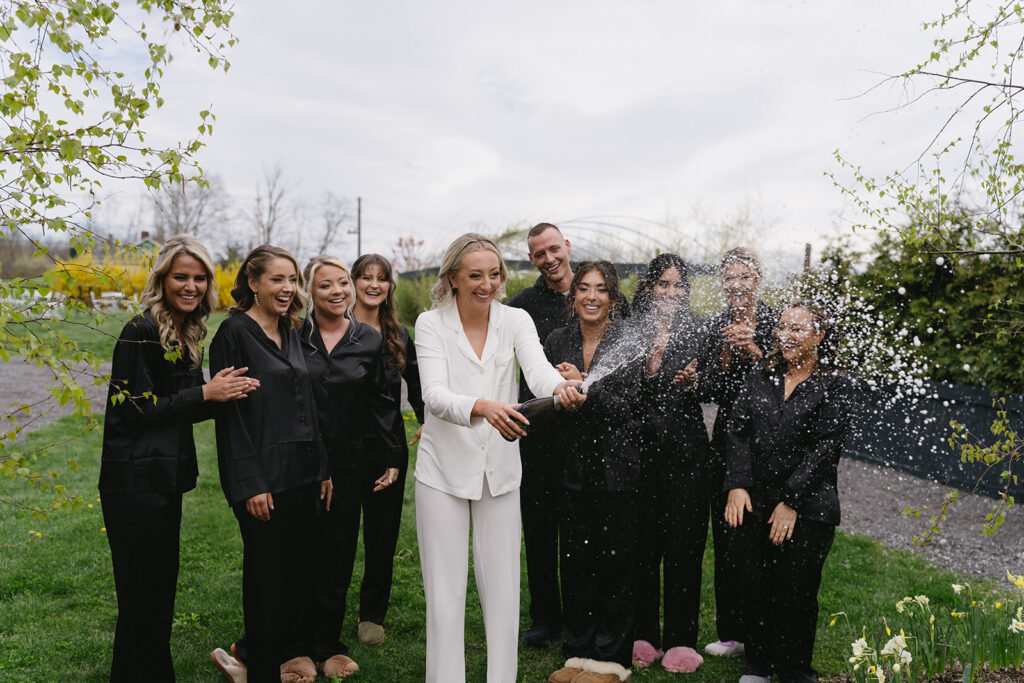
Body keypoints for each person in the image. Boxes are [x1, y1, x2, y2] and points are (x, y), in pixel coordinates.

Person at [413, 233, 584, 683]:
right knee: (445, 595)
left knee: (504, 593)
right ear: (453, 278)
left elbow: (538, 370)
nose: (487, 284)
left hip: (501, 474)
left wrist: (560, 389)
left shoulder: (516, 320)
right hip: (442, 473)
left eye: (494, 274)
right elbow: (433, 395)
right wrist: (484, 407)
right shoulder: (430, 324)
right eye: (475, 275)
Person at [99, 234, 257, 682]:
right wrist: (205, 392)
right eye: (181, 277)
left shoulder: (185, 332)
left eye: (199, 278)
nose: (190, 285)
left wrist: (227, 393)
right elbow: (133, 411)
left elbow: (179, 405)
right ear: (163, 278)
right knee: (140, 597)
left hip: (163, 481)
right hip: (133, 483)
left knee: (157, 593)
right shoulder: (141, 330)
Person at [209, 245, 332, 683]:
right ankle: (258, 671)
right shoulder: (233, 334)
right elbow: (232, 417)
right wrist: (249, 483)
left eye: (292, 279)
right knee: (266, 578)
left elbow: (309, 403)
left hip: (304, 473)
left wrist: (323, 468)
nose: (287, 288)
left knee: (298, 573)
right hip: (263, 478)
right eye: (277, 279)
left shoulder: (294, 330)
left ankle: (263, 654)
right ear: (253, 282)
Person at [506, 222, 630, 647]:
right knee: (552, 539)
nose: (549, 258)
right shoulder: (526, 310)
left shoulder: (621, 324)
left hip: (611, 455)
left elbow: (632, 391)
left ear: (566, 247)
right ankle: (554, 624)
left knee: (605, 547)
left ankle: (609, 636)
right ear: (532, 259)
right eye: (539, 253)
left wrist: (586, 383)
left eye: (554, 249)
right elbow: (530, 379)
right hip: (552, 445)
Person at [723, 300, 853, 683]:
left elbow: (826, 447)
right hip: (755, 499)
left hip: (809, 506)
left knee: (795, 593)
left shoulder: (836, 383)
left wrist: (791, 501)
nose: (787, 335)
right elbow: (736, 430)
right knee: (755, 585)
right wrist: (738, 483)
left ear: (820, 336)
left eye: (798, 328)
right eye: (782, 326)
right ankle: (759, 666)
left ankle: (795, 670)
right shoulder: (762, 374)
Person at [299, 255, 404, 677]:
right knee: (299, 555)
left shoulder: (369, 339)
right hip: (299, 463)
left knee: (338, 557)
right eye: (326, 285)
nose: (338, 291)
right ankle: (293, 643)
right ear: (310, 291)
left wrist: (393, 456)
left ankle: (326, 644)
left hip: (348, 465)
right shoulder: (293, 335)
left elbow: (382, 403)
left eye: (343, 282)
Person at [543, 261, 644, 683]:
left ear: (613, 298)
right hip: (571, 470)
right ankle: (578, 651)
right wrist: (559, 391)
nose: (591, 296)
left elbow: (634, 409)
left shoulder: (629, 340)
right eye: (583, 288)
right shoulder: (555, 341)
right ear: (573, 295)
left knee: (616, 563)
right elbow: (542, 404)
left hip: (618, 471)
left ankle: (612, 659)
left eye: (601, 289)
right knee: (577, 560)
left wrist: (586, 387)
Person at [630, 253, 711, 674]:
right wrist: (649, 366)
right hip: (641, 455)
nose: (672, 292)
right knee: (643, 547)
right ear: (649, 287)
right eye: (663, 284)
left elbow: (719, 381)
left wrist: (698, 381)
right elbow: (621, 389)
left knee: (684, 548)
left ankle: (682, 639)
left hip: (688, 456)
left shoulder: (700, 328)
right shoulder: (629, 330)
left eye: (679, 285)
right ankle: (644, 634)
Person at [701, 248, 779, 659]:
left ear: (758, 281)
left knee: (763, 542)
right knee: (728, 539)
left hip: (769, 443)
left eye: (744, 277)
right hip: (728, 442)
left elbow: (787, 384)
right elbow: (714, 391)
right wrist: (721, 362)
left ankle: (766, 630)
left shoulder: (776, 322)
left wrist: (755, 351)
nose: (736, 285)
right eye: (728, 278)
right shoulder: (715, 326)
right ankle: (731, 631)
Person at [349, 253, 425, 645]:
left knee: (381, 539)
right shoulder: (333, 329)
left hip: (387, 448)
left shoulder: (399, 333)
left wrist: (425, 421)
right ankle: (323, 609)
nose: (374, 285)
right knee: (337, 538)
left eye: (382, 278)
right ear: (353, 283)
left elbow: (417, 384)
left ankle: (371, 615)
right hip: (341, 451)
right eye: (366, 277)